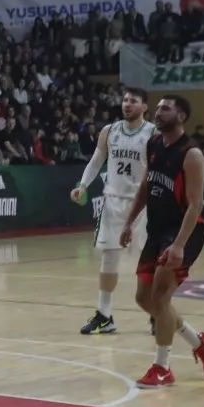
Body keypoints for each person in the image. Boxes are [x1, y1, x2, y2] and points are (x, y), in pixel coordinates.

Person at [120, 94, 204, 388]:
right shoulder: (153, 145)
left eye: (166, 108)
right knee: (144, 298)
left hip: (185, 232)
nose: (159, 112)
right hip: (157, 229)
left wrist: (178, 245)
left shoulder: (191, 153)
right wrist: (129, 221)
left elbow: (196, 204)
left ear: (181, 116)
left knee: (161, 297)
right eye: (158, 108)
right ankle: (199, 342)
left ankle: (162, 368)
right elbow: (146, 186)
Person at [71, 86, 152, 335]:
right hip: (113, 202)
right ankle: (104, 316)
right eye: (125, 100)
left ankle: (157, 312)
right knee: (109, 258)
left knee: (149, 261)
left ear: (144, 106)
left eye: (133, 101)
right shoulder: (109, 131)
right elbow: (96, 161)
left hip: (143, 204)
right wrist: (82, 185)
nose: (127, 104)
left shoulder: (153, 133)